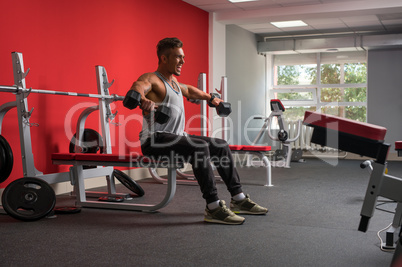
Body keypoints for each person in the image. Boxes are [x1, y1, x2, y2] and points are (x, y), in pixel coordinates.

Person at [128, 37, 268, 225]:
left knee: (220, 145)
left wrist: (211, 98)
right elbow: (140, 84)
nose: (183, 61)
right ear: (163, 58)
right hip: (154, 140)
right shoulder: (152, 79)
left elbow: (191, 91)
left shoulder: (175, 83)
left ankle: (239, 198)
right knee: (199, 146)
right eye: (178, 57)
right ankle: (213, 207)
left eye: (183, 57)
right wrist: (139, 96)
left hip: (176, 137)